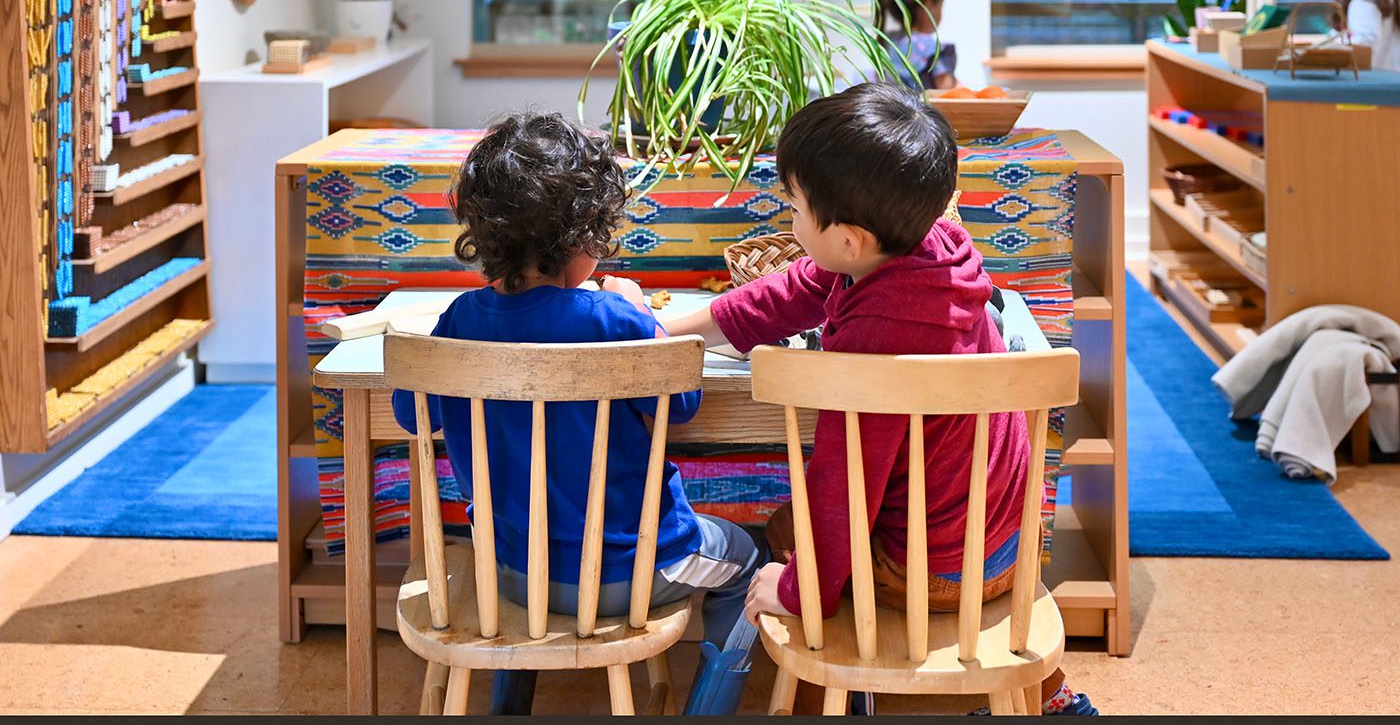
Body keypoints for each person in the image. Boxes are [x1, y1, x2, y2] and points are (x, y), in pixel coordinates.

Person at [661, 82, 1096, 716]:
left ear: (851, 239)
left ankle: (848, 693)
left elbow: (842, 488)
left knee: (790, 526)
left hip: (938, 572)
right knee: (828, 523)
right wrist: (664, 332)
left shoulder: (875, 352)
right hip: (1005, 543)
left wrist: (800, 588)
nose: (790, 221)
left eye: (796, 209)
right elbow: (789, 292)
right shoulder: (933, 248)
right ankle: (1045, 695)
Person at [390, 111, 765, 714]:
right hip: (634, 570)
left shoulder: (460, 319)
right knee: (750, 559)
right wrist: (638, 311)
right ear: (582, 237)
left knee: (525, 586)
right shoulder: (614, 321)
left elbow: (412, 414)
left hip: (515, 573)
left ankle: (510, 703)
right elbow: (684, 402)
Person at [875, 0, 958, 90]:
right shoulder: (932, 49)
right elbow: (946, 93)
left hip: (890, 109)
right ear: (928, 7)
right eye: (940, 5)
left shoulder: (886, 41)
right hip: (921, 109)